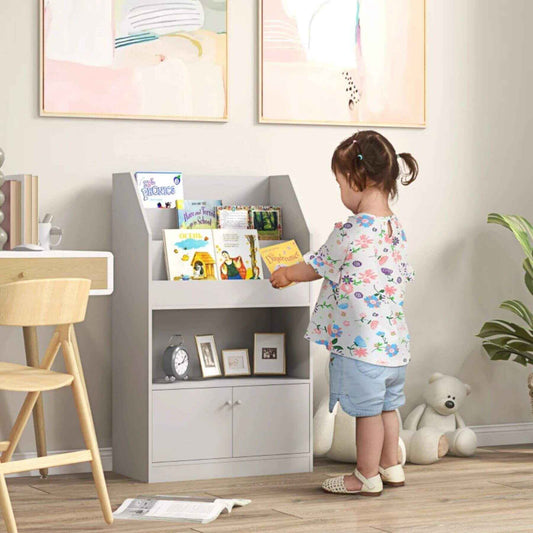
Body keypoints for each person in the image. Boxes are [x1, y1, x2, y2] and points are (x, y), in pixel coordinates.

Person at [270, 130, 418, 496]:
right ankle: (391, 466)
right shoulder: (394, 228)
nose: (340, 192)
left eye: (339, 183)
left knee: (367, 412)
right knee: (387, 408)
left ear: (359, 180)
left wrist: (287, 273)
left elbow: (317, 265)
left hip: (361, 345)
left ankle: (365, 475)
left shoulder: (351, 231)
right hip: (393, 345)